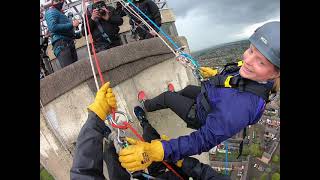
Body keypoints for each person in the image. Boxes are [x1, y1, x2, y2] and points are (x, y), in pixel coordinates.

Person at [118, 21, 280, 171]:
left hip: (202, 113)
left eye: (261, 62)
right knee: (187, 90)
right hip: (210, 97)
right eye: (251, 50)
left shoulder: (240, 107)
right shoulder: (258, 78)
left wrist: (159, 150)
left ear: (275, 74)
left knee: (168, 97)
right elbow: (238, 79)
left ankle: (146, 105)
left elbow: (203, 140)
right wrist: (217, 74)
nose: (248, 60)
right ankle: (176, 96)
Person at [70, 82, 231, 180]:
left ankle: (109, 139)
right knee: (150, 137)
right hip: (176, 173)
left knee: (114, 158)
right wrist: (180, 160)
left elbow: (84, 174)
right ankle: (143, 122)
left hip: (158, 175)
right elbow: (205, 174)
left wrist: (95, 120)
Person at [45, 0, 80, 68]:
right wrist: (71, 25)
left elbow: (67, 32)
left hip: (67, 43)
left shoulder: (59, 13)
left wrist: (79, 34)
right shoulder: (51, 12)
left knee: (76, 69)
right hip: (61, 44)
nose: (61, 2)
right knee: (70, 70)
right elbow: (53, 27)